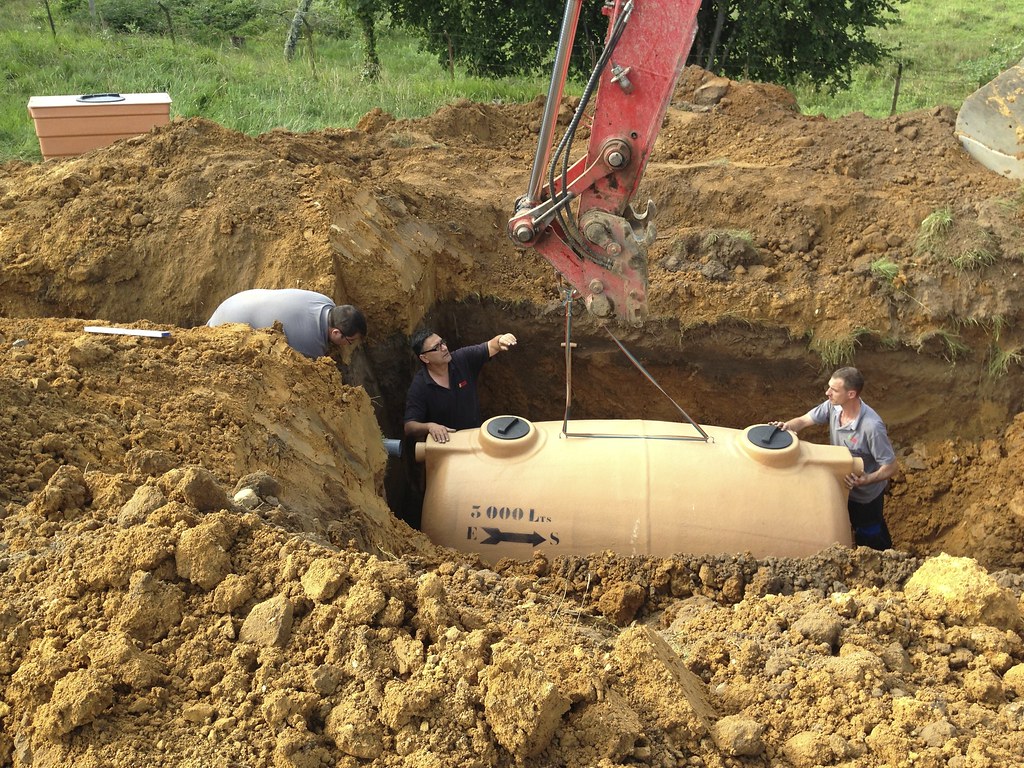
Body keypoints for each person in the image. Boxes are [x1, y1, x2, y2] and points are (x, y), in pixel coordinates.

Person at [771, 366, 898, 550]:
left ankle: (884, 559)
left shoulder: (871, 427)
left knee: (869, 532)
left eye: (834, 390)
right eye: (829, 387)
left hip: (864, 497)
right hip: (840, 485)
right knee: (843, 524)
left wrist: (865, 480)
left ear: (851, 394)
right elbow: (804, 420)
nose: (827, 392)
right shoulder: (833, 407)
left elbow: (891, 467)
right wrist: (787, 426)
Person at [404, 328, 517, 443]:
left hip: (475, 438)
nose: (444, 348)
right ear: (425, 358)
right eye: (437, 347)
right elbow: (410, 426)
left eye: (442, 342)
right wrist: (430, 426)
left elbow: (491, 346)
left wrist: (501, 339)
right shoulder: (420, 386)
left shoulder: (462, 359)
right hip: (448, 447)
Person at [207, 289, 366, 359]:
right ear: (336, 333)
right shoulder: (313, 345)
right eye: (349, 341)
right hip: (226, 329)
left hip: (235, 302)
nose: (348, 345)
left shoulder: (325, 301)